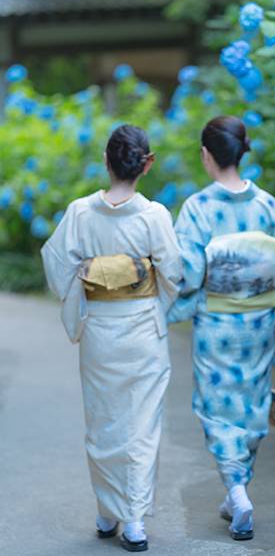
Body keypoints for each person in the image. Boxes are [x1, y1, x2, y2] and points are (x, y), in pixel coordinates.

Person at [168, 115, 275, 541]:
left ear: (206, 155)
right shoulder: (267, 204)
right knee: (252, 404)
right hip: (258, 320)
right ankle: (238, 490)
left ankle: (236, 489)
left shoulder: (199, 208)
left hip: (217, 321)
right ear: (240, 151)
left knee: (216, 408)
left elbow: (189, 273)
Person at [41, 124, 181, 552]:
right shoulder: (154, 215)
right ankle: (134, 520)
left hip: (101, 330)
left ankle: (107, 511)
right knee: (140, 426)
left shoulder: (80, 212)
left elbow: (56, 265)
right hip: (141, 331)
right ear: (147, 164)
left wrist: (89, 283)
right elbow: (172, 272)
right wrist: (153, 300)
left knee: (103, 421)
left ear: (106, 161)